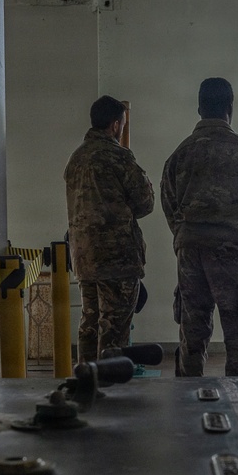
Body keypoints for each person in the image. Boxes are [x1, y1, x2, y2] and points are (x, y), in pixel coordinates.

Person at [161, 77, 238, 376]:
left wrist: (189, 239)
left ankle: (189, 402)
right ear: (230, 108)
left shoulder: (178, 156)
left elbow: (170, 208)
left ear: (199, 108)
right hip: (233, 251)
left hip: (190, 253)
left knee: (191, 334)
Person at [65, 95, 155, 363]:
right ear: (115, 125)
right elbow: (145, 202)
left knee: (89, 325)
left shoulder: (76, 159)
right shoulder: (118, 157)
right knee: (114, 330)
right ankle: (111, 393)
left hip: (84, 258)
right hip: (116, 259)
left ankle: (87, 384)